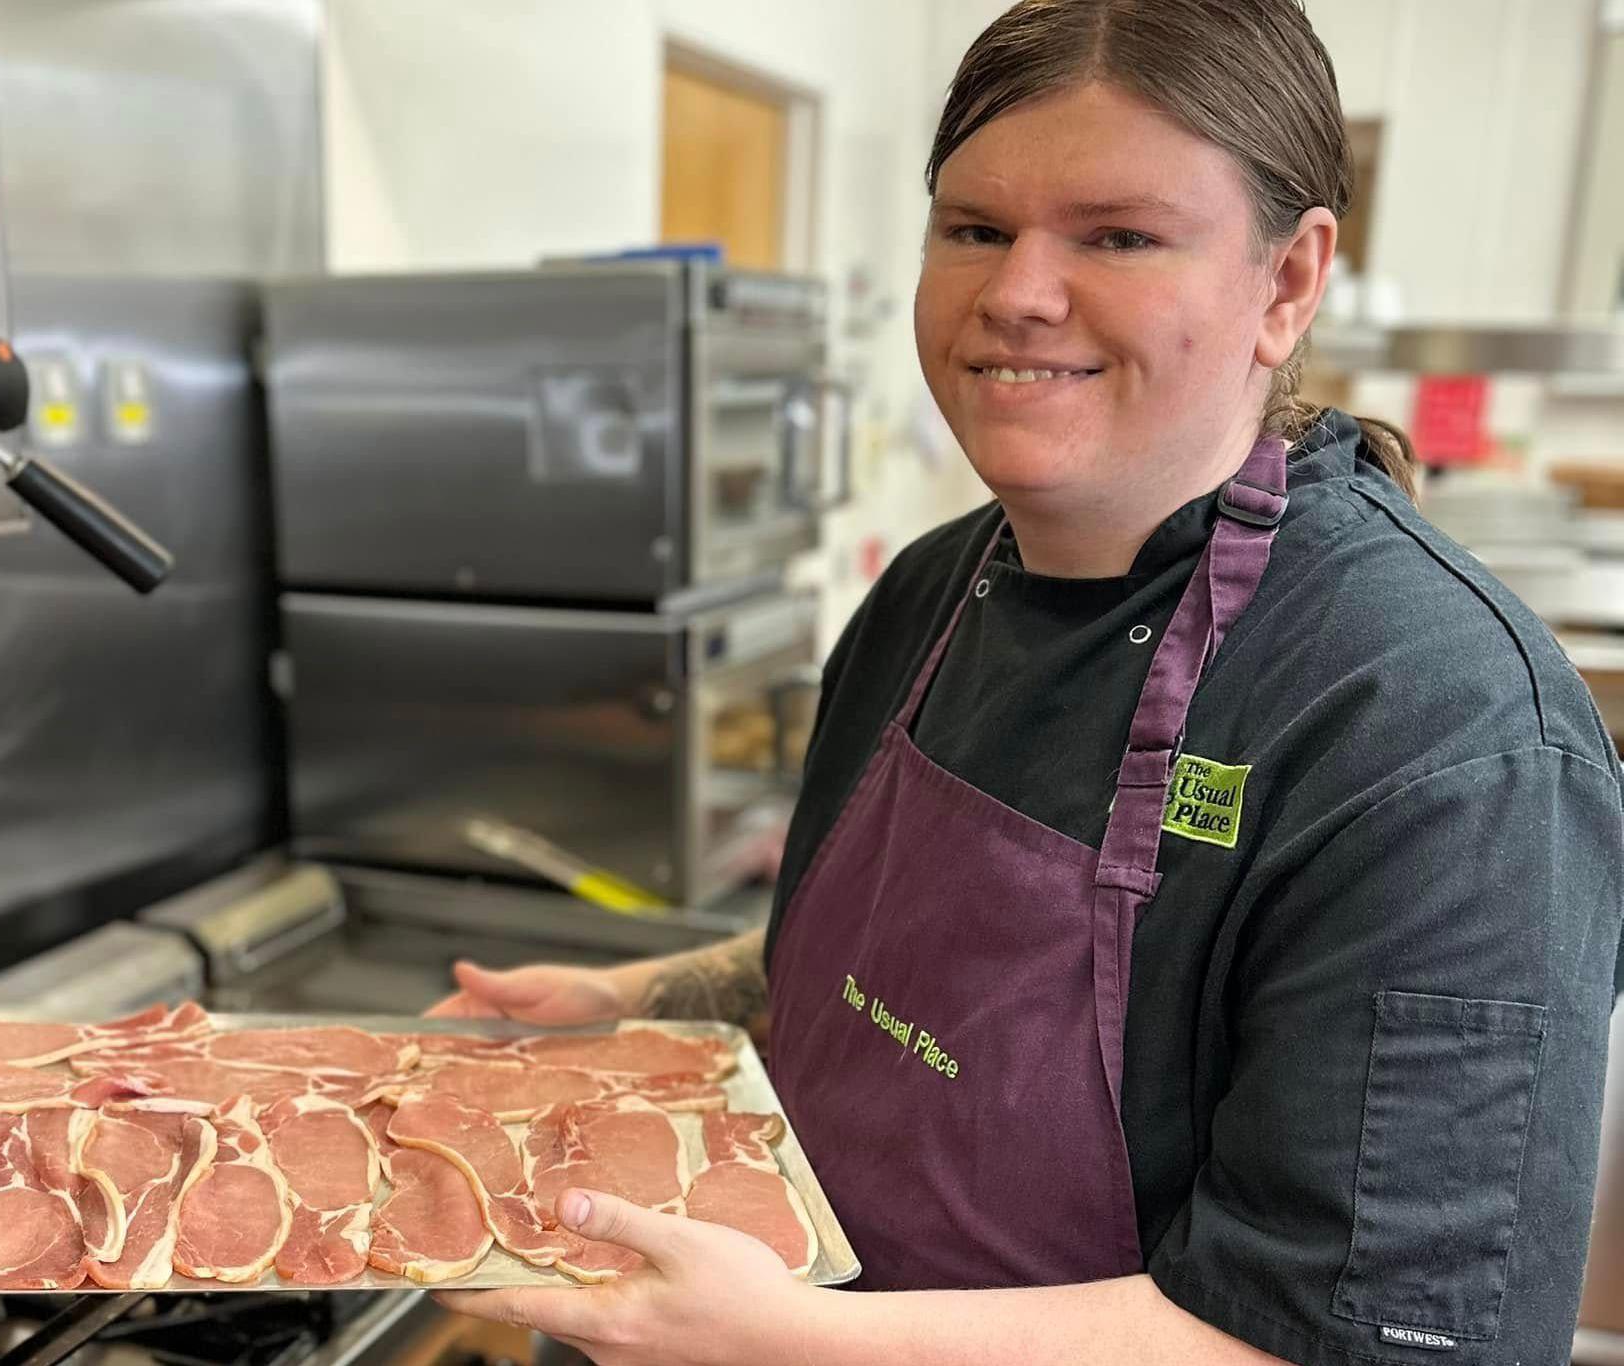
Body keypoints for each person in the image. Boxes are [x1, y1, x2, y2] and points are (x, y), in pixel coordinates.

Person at [426, 1, 1624, 1362]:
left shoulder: (1439, 737)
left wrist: (782, 1342)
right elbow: (867, 987)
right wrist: (637, 1001)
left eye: (1117, 235)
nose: (1016, 293)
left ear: (1288, 282)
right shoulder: (930, 593)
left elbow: (1353, 1344)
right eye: (976, 228)